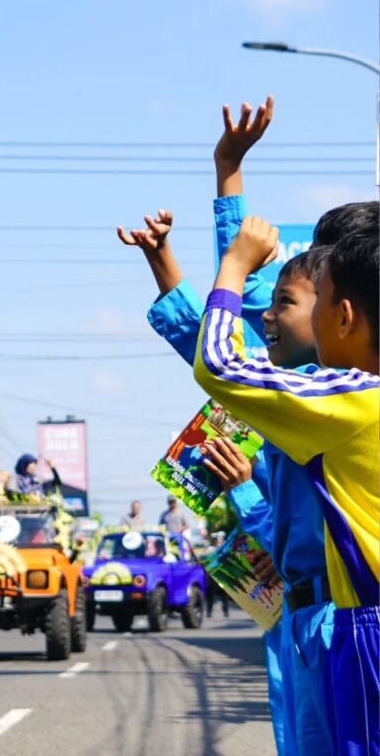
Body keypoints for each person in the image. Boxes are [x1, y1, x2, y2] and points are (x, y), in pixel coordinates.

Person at [193, 220, 379, 756]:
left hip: (366, 626)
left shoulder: (351, 398)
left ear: (343, 317)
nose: (269, 318)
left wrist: (234, 263)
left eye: (317, 298)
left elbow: (219, 364)